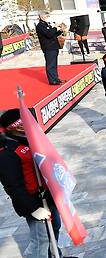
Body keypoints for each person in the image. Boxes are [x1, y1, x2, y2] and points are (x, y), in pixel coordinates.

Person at [0, 109, 66, 258]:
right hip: (33, 200)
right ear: (17, 127)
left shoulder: (32, 140)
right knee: (40, 240)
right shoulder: (7, 153)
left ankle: (54, 255)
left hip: (48, 195)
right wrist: (33, 209)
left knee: (55, 227)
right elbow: (13, 187)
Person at [35, 11, 64, 85]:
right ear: (42, 17)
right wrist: (55, 27)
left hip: (54, 46)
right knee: (50, 64)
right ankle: (52, 80)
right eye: (47, 16)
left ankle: (56, 78)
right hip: (48, 48)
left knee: (54, 64)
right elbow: (49, 34)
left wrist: (60, 31)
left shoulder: (46, 24)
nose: (48, 18)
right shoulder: (40, 26)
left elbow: (53, 34)